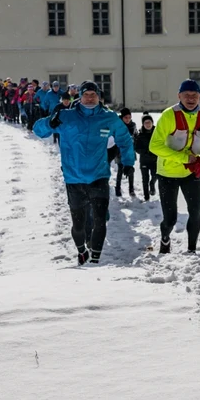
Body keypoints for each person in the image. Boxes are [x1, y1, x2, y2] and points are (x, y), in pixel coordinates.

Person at [48, 81, 135, 264]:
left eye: (93, 95)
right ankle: (81, 250)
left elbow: (125, 139)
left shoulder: (108, 117)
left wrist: (128, 161)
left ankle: (95, 259)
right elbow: (39, 130)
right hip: (74, 179)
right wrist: (50, 122)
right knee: (78, 226)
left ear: (98, 97)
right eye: (86, 95)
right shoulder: (66, 115)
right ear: (80, 96)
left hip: (99, 177)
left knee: (99, 221)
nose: (89, 98)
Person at [149, 79, 200, 254]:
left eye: (194, 95)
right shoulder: (168, 115)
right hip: (168, 173)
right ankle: (165, 237)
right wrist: (183, 158)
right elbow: (154, 146)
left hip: (192, 173)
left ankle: (192, 250)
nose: (190, 98)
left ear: (199, 96)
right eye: (186, 95)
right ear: (179, 96)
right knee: (170, 219)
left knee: (195, 212)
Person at [110, 108, 137, 197]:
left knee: (130, 170)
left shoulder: (133, 125)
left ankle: (131, 188)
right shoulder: (118, 126)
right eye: (126, 117)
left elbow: (135, 136)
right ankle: (118, 188)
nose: (128, 119)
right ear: (122, 117)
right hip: (119, 151)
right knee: (120, 170)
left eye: (129, 117)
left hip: (130, 151)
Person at [133, 113, 158, 201]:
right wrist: (146, 151)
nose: (148, 124)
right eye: (146, 123)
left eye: (149, 122)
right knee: (145, 179)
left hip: (155, 160)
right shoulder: (140, 134)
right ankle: (146, 196)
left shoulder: (157, 133)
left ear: (152, 123)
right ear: (143, 124)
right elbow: (136, 148)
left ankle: (152, 184)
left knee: (155, 176)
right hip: (144, 160)